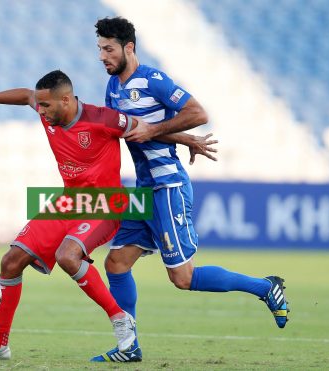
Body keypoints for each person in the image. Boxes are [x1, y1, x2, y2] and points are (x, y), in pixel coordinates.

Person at [0, 70, 216, 360]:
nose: (40, 111)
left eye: (46, 106)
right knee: (11, 262)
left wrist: (188, 139)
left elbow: (147, 128)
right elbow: (27, 94)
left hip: (105, 203)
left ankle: (120, 319)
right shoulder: (44, 107)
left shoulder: (103, 119)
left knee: (68, 256)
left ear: (65, 100)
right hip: (69, 202)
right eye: (39, 105)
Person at [91, 17, 290, 363]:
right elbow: (138, 129)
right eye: (100, 49)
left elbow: (197, 112)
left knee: (182, 278)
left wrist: (162, 132)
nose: (102, 57)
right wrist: (183, 138)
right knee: (117, 262)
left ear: (129, 48)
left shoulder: (154, 81)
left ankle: (264, 287)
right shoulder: (113, 89)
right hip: (144, 189)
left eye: (108, 49)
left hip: (167, 187)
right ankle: (129, 346)